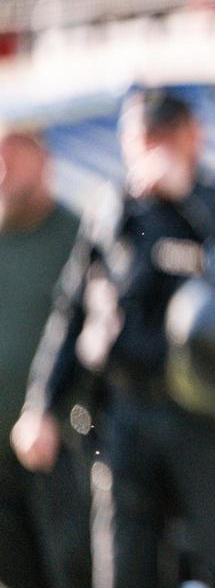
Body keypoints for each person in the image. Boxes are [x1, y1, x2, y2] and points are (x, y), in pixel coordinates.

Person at [11, 90, 215, 588]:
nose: (150, 151)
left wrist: (188, 191)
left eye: (161, 137)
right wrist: (41, 405)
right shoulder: (112, 211)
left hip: (210, 418)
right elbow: (70, 310)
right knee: (122, 566)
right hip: (126, 415)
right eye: (140, 139)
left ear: (190, 138)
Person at [1, 128, 92, 588]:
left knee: (71, 568)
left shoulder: (78, 237)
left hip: (60, 451)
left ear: (44, 160)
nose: (3, 169)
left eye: (14, 155)